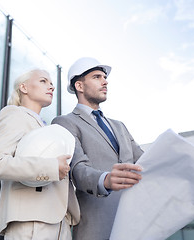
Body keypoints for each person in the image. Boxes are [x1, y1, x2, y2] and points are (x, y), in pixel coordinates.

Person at [52, 57, 143, 240]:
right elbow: (77, 168)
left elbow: (142, 160)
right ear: (79, 86)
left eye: (104, 77)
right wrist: (106, 180)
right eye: (97, 77)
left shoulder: (120, 126)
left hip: (133, 221)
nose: (105, 81)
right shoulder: (65, 123)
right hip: (96, 223)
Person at [0, 69, 80, 240]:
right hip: (31, 223)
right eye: (43, 81)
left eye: (51, 83)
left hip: (58, 222)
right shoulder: (14, 114)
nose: (51, 86)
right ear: (24, 87)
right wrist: (52, 167)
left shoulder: (43, 127)